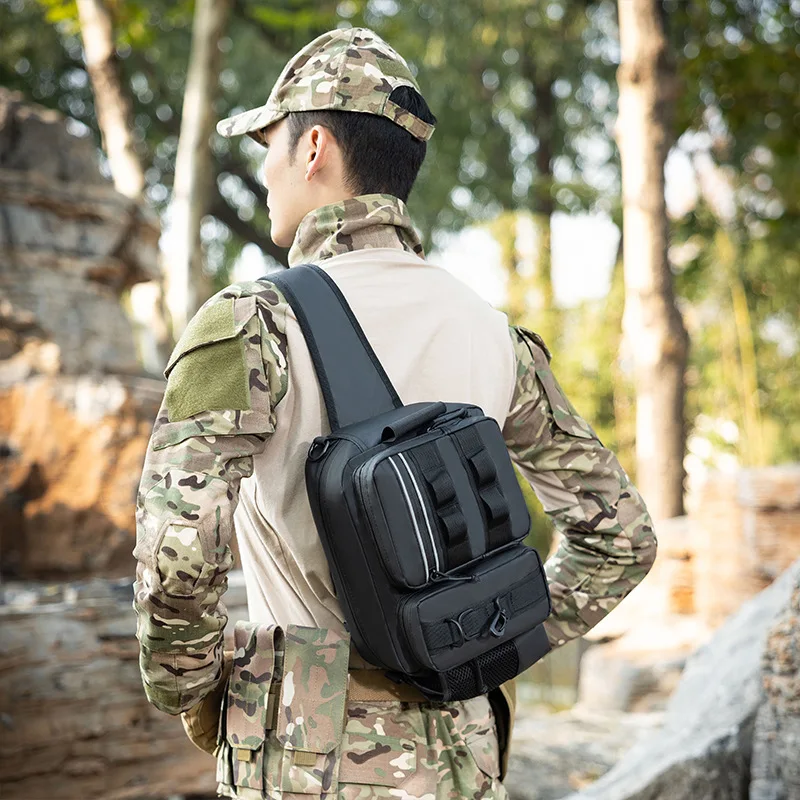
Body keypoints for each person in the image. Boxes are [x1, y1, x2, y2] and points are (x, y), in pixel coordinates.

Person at [132, 26, 657, 800]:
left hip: (309, 761)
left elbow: (176, 556)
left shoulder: (253, 322)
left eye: (269, 142)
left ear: (313, 148)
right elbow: (622, 540)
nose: (265, 169)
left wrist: (198, 690)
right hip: (466, 759)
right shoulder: (490, 330)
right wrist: (491, 640)